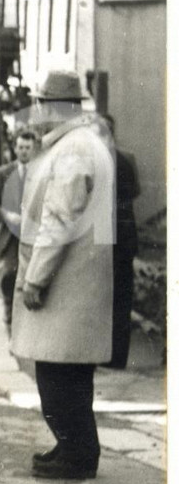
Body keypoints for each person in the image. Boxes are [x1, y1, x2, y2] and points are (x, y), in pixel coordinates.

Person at [10, 69, 114, 481]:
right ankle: (74, 447)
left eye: (39, 103)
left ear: (52, 107)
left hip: (66, 283)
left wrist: (36, 278)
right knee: (71, 374)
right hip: (81, 281)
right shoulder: (86, 144)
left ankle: (77, 455)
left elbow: (57, 221)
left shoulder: (71, 151)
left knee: (56, 375)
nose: (35, 112)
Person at [0, 127, 38, 331]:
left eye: (28, 147)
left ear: (33, 149)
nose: (24, 151)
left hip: (34, 236)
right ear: (15, 149)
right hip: (10, 237)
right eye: (21, 147)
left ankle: (28, 324)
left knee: (33, 277)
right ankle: (10, 322)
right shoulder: (4, 173)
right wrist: (7, 215)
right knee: (10, 277)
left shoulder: (41, 172)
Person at [103, 115, 141, 370]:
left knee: (106, 297)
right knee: (121, 298)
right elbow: (136, 190)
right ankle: (118, 357)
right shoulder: (127, 158)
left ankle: (105, 355)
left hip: (107, 237)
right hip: (125, 235)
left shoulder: (96, 159)